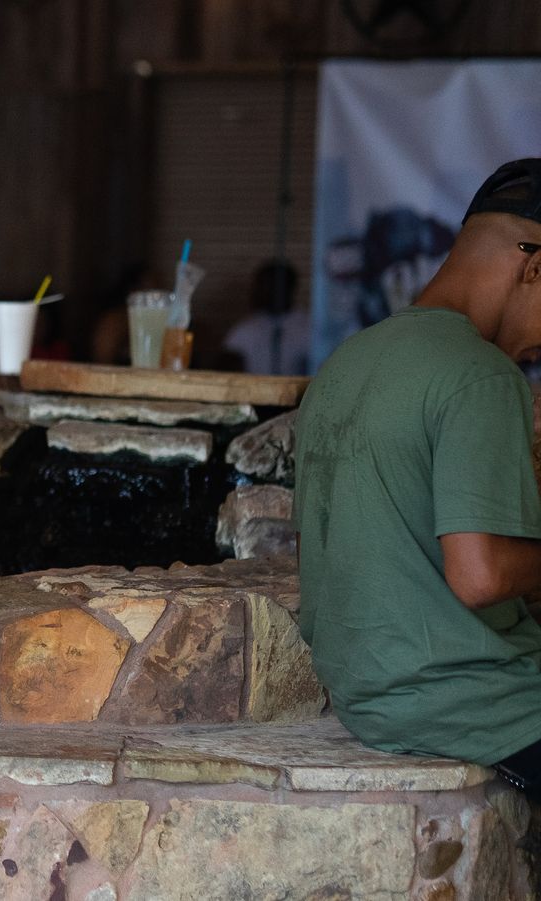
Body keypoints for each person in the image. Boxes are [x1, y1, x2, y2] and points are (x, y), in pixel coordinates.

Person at [293, 158, 541, 799]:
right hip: (477, 702)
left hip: (367, 696)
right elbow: (480, 576)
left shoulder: (346, 362)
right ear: (534, 268)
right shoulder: (480, 374)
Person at [220, 258, 310, 375]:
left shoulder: (308, 327)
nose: (256, 292)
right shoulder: (247, 327)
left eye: (265, 286)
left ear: (285, 288)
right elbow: (227, 364)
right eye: (258, 286)